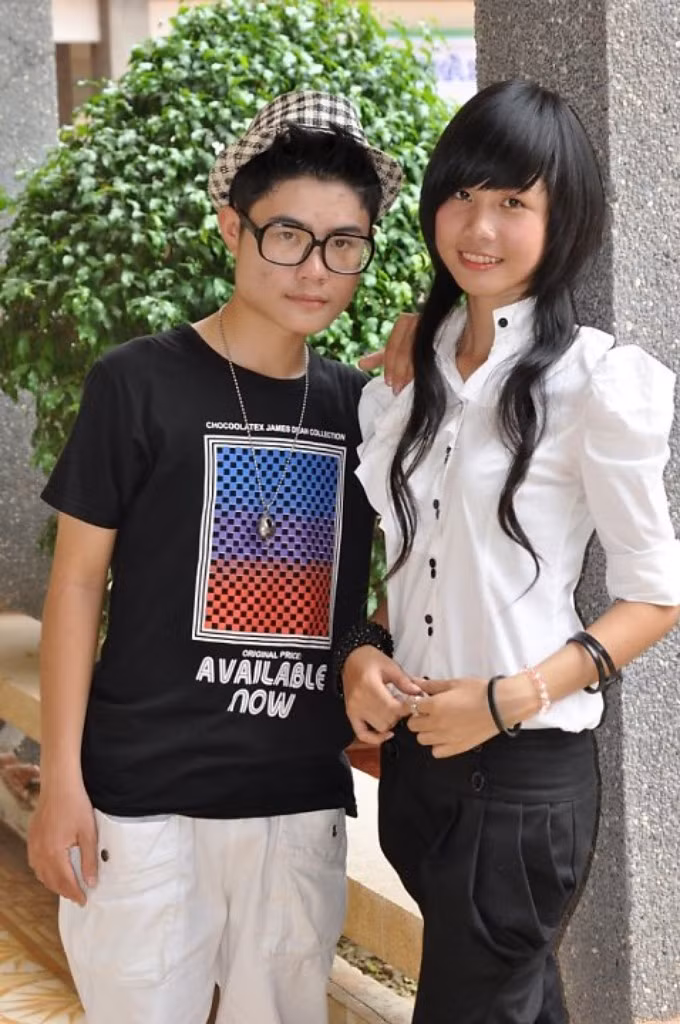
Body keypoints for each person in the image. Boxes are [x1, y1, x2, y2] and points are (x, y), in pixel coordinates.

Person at [27, 91, 413, 1024]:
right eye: (288, 236)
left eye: (344, 243)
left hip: (295, 802)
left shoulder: (363, 410)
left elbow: (400, 577)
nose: (315, 268)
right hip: (142, 801)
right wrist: (62, 779)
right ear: (233, 228)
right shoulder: (136, 382)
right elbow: (75, 586)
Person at [339, 79, 680, 1024]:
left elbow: (657, 595)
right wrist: (365, 649)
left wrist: (509, 697)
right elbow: (421, 569)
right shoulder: (410, 374)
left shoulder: (596, 382)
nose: (479, 226)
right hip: (420, 769)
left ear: (561, 220)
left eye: (513, 203)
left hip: (522, 778)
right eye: (462, 194)